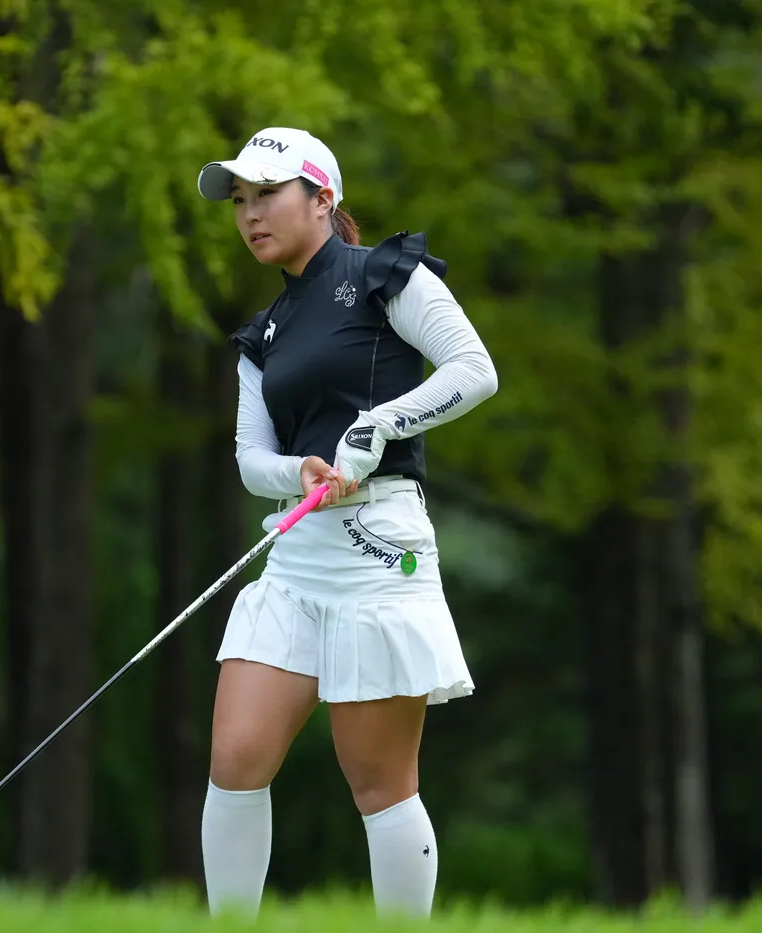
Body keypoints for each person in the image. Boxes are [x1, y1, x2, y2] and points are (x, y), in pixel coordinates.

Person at [194, 126, 498, 919]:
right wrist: (299, 470)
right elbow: (250, 457)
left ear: (322, 198)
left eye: (268, 194)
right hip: (300, 552)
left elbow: (474, 369)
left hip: (381, 546)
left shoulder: (383, 276)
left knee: (378, 781)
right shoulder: (263, 333)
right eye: (240, 200)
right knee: (236, 757)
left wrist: (380, 425)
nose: (250, 213)